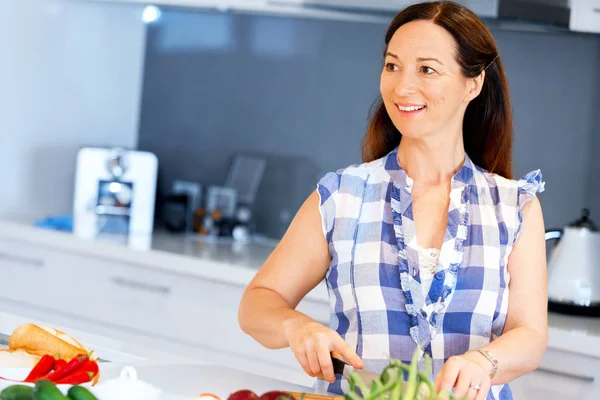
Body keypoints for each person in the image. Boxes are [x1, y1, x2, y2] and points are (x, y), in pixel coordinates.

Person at [237, 2, 548, 399]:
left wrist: (483, 361)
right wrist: (296, 327)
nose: (402, 87)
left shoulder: (514, 207)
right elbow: (258, 303)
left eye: (427, 69)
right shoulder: (342, 195)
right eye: (392, 66)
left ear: (473, 84)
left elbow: (531, 335)